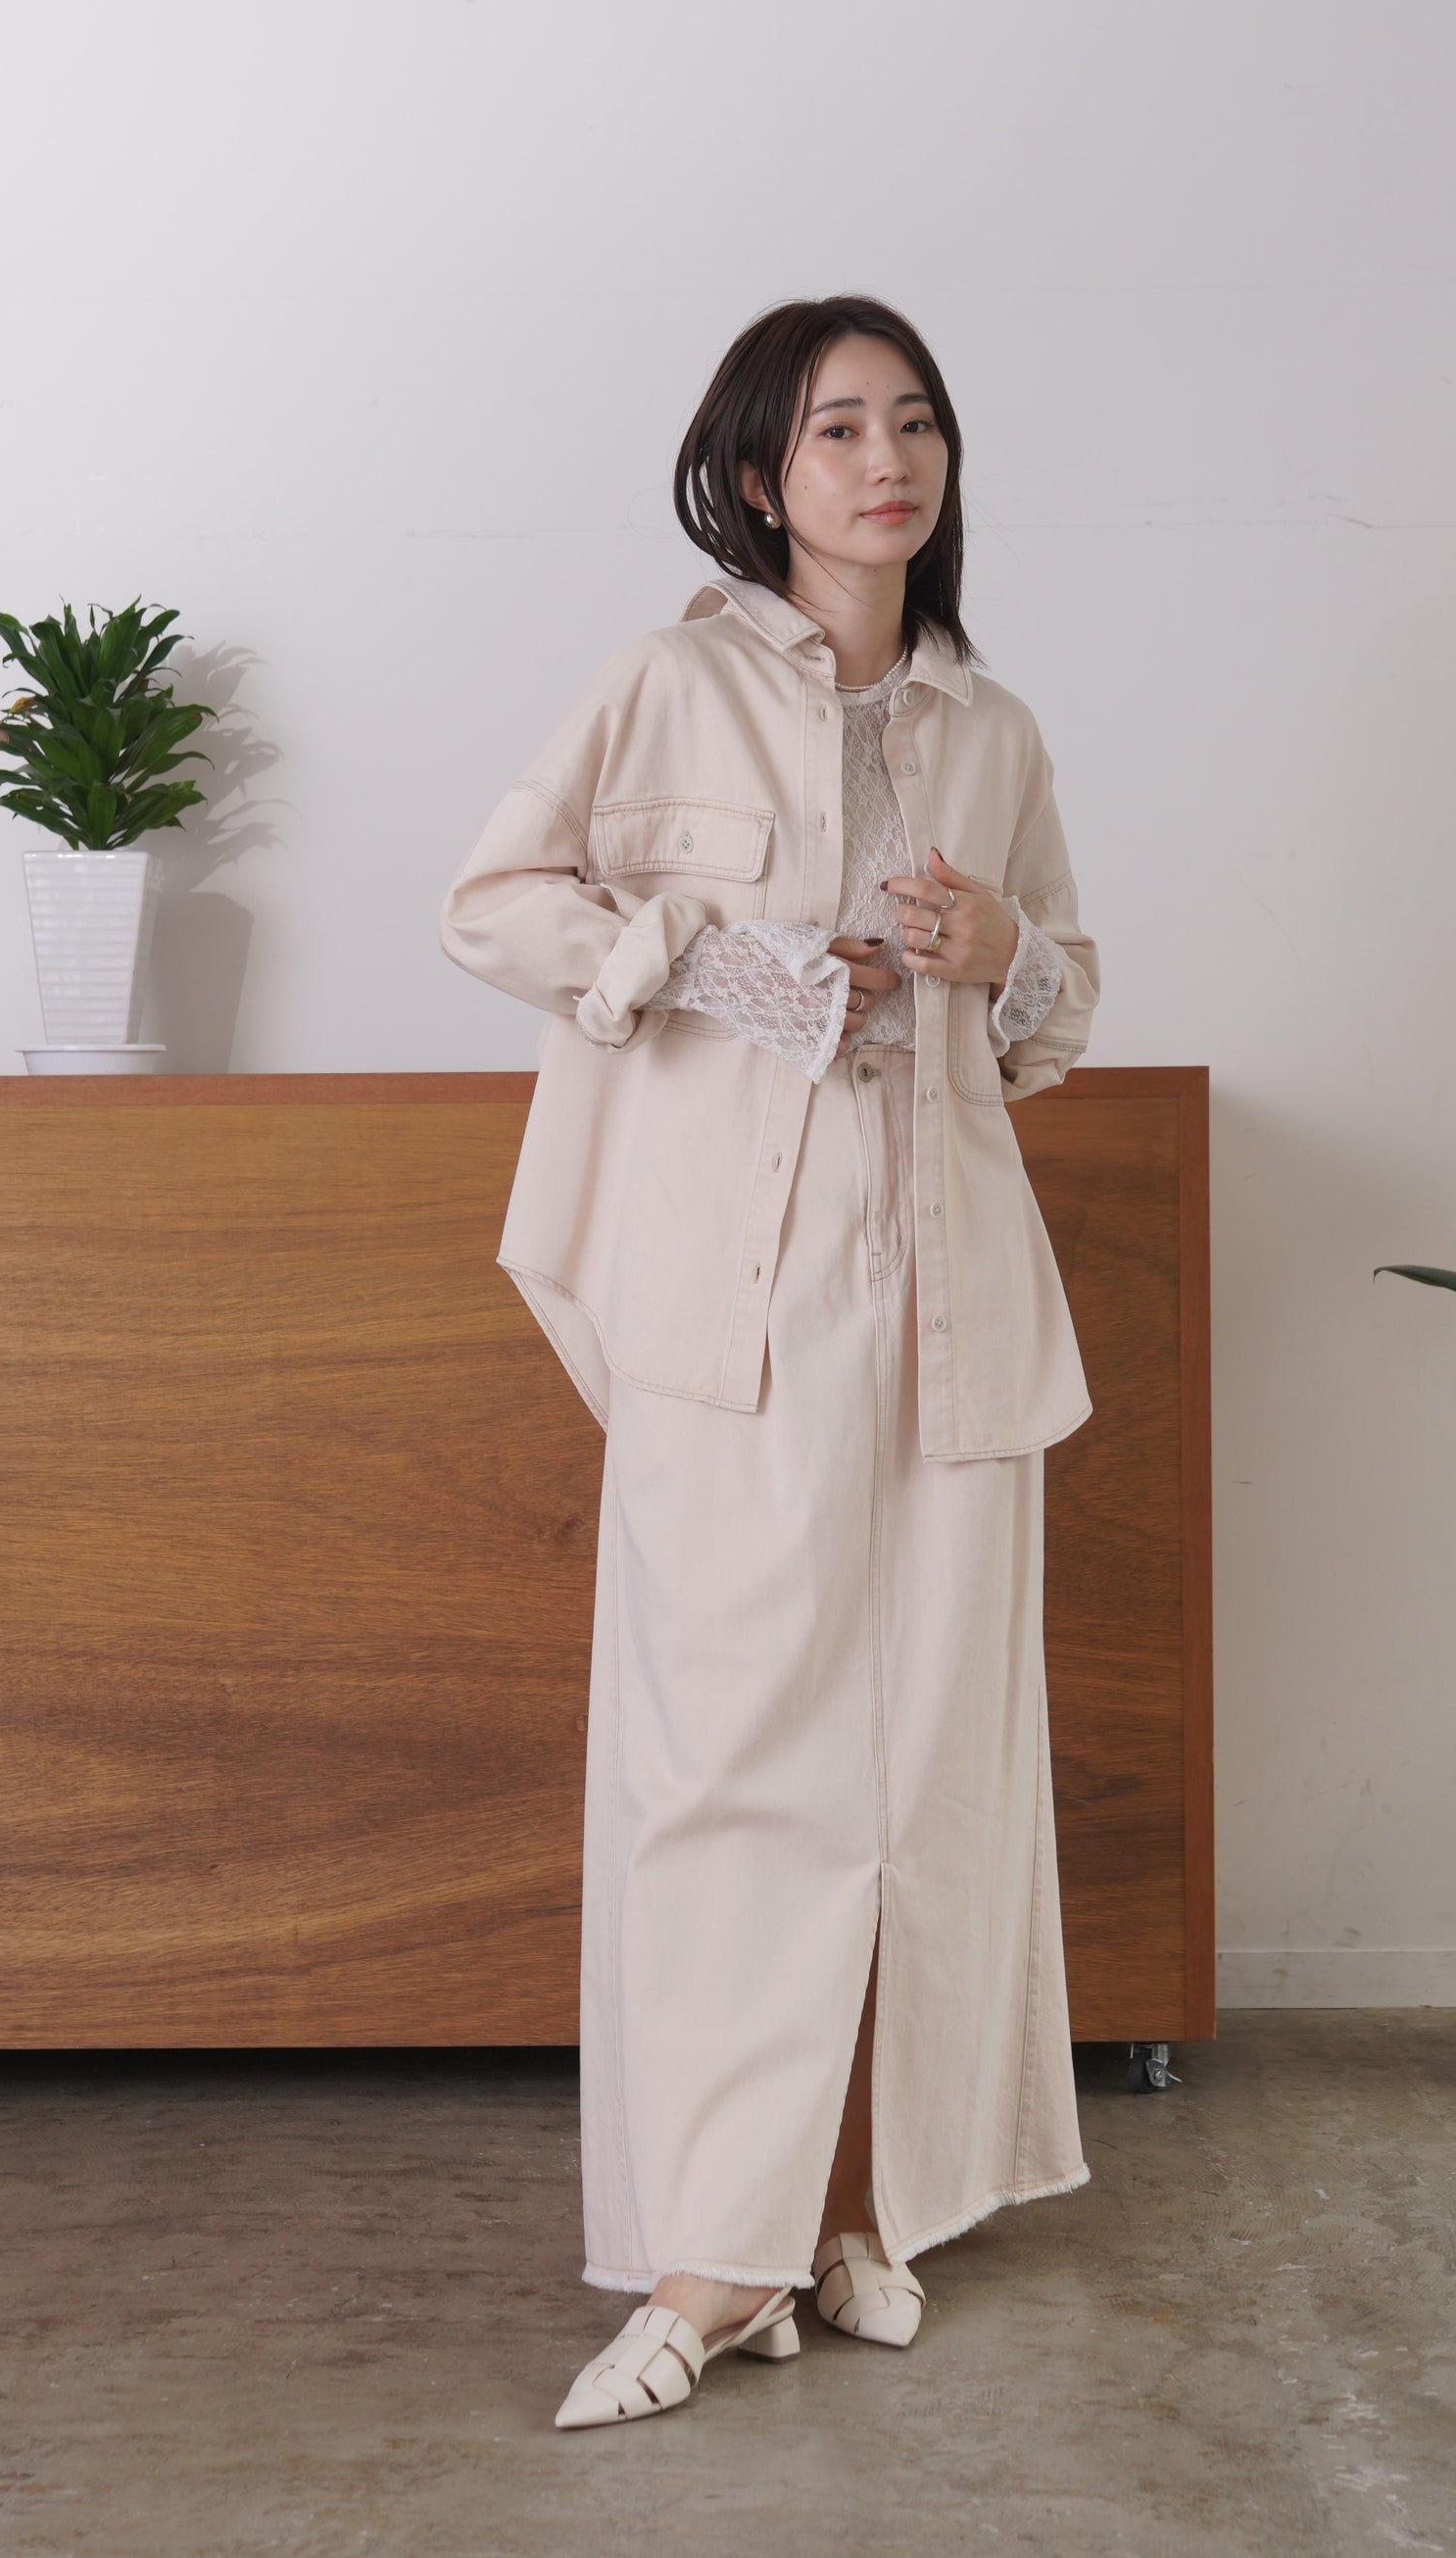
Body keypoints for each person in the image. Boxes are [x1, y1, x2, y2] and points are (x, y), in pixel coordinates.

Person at [440, 295, 1099, 2432]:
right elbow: (494, 899)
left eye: (914, 423)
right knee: (726, 1758)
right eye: (835, 429)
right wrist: (724, 962)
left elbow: (1058, 1010)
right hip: (740, 1297)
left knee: (928, 1764)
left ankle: (853, 2211)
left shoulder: (991, 728)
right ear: (755, 472)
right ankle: (707, 2252)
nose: (883, 461)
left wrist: (1004, 955)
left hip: (951, 1293)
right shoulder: (665, 684)